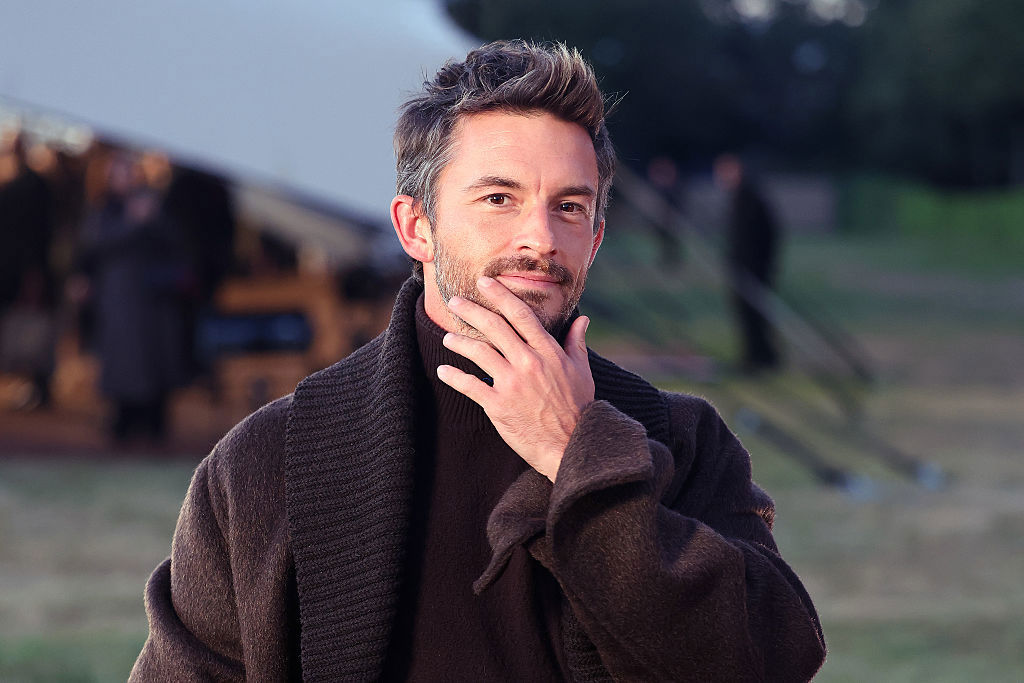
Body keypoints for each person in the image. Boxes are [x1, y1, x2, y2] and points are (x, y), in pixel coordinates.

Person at [131, 41, 825, 681]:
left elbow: (772, 661)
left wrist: (582, 459)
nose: (540, 237)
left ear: (597, 236)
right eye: (499, 198)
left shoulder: (682, 441)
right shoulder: (266, 462)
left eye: (570, 207)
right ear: (416, 227)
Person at [714, 153, 782, 373]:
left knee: (753, 314)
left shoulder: (749, 198)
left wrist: (758, 263)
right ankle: (757, 355)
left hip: (752, 268)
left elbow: (766, 234)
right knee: (746, 314)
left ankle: (760, 357)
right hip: (742, 267)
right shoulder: (739, 197)